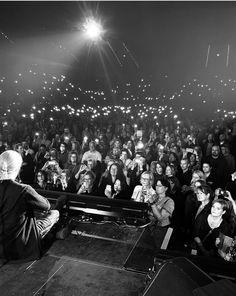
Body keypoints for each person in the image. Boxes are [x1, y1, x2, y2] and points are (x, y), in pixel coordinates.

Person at [0, 150, 59, 261]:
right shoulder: (23, 189)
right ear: (18, 168)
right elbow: (46, 205)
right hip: (20, 247)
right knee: (54, 213)